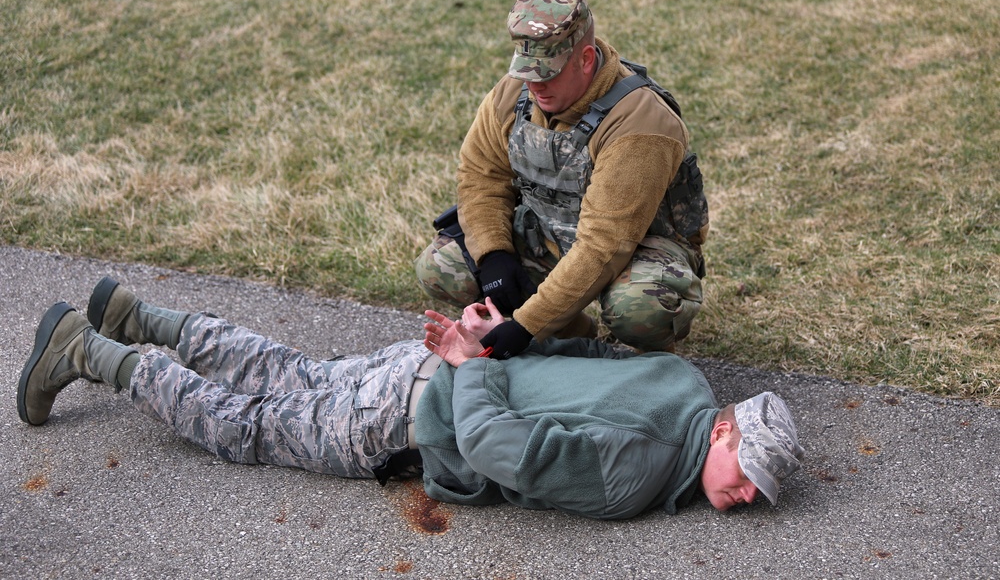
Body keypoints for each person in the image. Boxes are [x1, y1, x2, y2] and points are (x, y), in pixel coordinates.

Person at [17, 276, 802, 520]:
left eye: (753, 492)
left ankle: (138, 314)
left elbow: (578, 349)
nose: (739, 493)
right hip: (419, 411)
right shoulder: (641, 474)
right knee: (248, 426)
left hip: (427, 365)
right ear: (727, 429)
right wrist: (473, 363)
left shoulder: (685, 380)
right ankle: (89, 351)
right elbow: (500, 449)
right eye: (744, 471)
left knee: (292, 372)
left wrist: (492, 337)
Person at [414, 0, 710, 360]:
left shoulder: (641, 124)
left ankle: (649, 365)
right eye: (527, 72)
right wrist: (494, 255)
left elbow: (605, 245)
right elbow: (480, 175)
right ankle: (575, 338)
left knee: (641, 307)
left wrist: (524, 326)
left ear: (586, 60)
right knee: (441, 267)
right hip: (549, 232)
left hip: (636, 249)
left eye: (548, 74)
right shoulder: (511, 95)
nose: (535, 87)